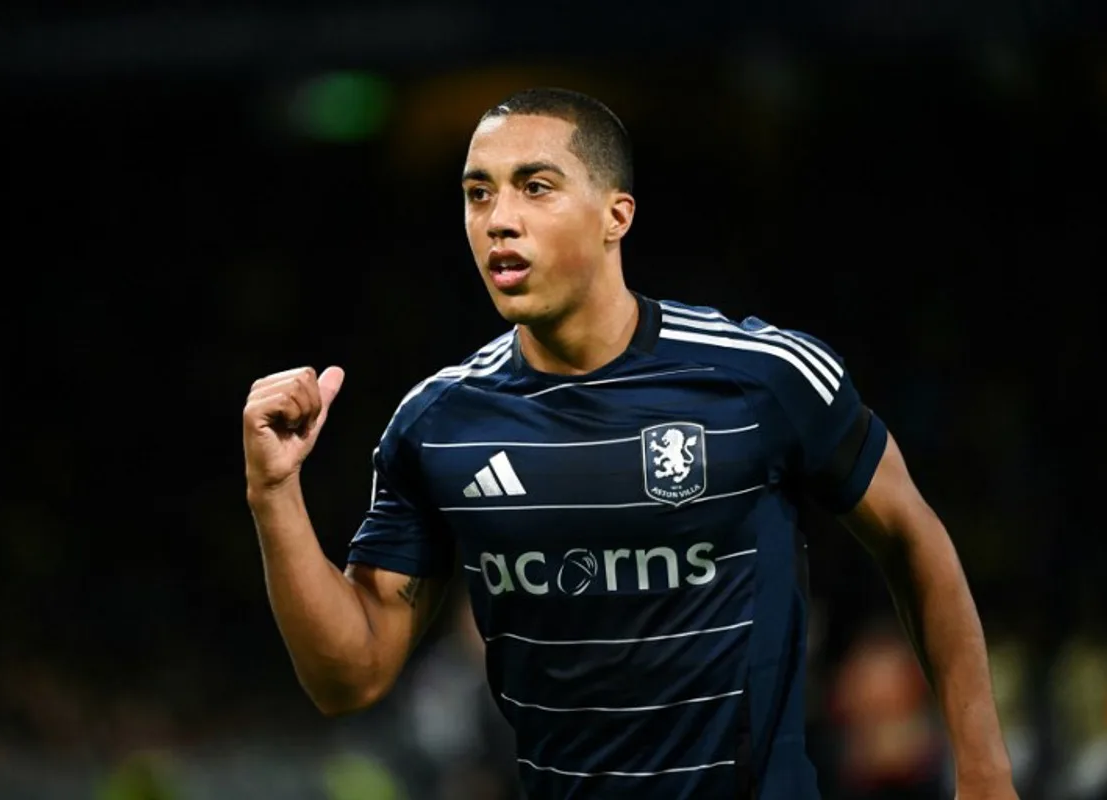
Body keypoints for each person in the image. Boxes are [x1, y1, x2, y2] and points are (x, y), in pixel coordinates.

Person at [241, 87, 1017, 799]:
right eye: (478, 194)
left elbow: (914, 539)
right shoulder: (437, 425)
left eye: (534, 187)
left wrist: (982, 770)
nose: (498, 219)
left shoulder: (762, 378)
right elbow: (350, 676)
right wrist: (274, 494)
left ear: (617, 215)